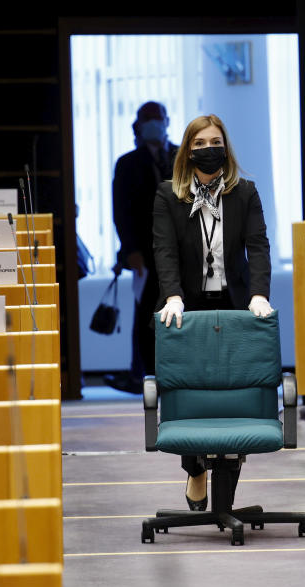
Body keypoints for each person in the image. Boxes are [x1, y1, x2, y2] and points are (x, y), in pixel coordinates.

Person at [152, 113, 274, 511]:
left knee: (236, 392)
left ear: (226, 146)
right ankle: (195, 469)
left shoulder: (245, 192)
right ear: (188, 150)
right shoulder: (169, 195)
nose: (208, 149)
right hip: (185, 303)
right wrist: (172, 295)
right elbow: (165, 250)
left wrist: (259, 294)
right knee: (190, 391)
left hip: (233, 301)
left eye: (214, 141)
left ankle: (227, 495)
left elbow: (257, 246)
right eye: (200, 143)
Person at [109, 102, 179, 393]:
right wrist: (130, 249)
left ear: (166, 121)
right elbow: (121, 213)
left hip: (179, 250)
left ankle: (177, 373)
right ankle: (145, 375)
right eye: (147, 119)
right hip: (144, 253)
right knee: (146, 314)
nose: (153, 123)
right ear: (138, 125)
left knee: (179, 308)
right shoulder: (128, 163)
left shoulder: (181, 156)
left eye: (157, 118)